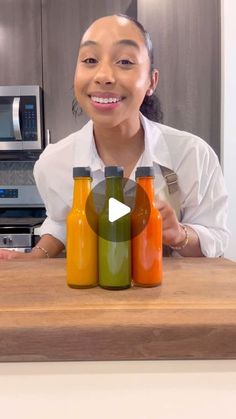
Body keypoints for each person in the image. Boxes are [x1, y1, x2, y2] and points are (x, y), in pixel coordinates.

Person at [0, 14, 229, 260]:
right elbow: (60, 223)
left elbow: (216, 238)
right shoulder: (54, 163)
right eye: (90, 60)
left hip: (168, 294)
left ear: (151, 81)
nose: (104, 75)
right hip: (91, 294)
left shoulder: (192, 155)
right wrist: (36, 257)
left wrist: (179, 234)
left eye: (125, 61)